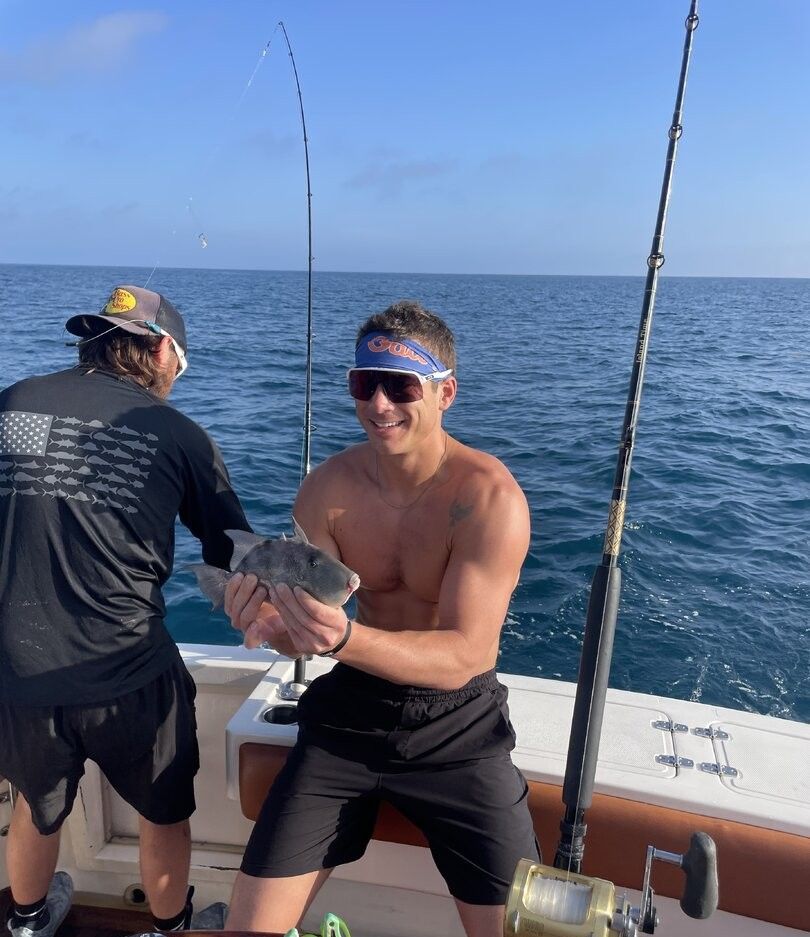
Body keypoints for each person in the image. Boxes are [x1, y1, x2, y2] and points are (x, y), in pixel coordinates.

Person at [224, 300, 540, 937]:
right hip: (349, 716)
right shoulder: (325, 491)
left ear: (445, 393)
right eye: (364, 384)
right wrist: (266, 622)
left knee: (517, 933)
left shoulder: (487, 498)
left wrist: (339, 636)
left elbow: (467, 655)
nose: (379, 405)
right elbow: (306, 624)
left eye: (401, 386)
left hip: (458, 729)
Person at [0, 285, 249, 936]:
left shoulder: (17, 402)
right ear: (163, 350)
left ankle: (26, 922)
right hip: (130, 676)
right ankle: (168, 928)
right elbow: (235, 555)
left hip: (22, 671)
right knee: (164, 815)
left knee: (35, 803)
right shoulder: (177, 434)